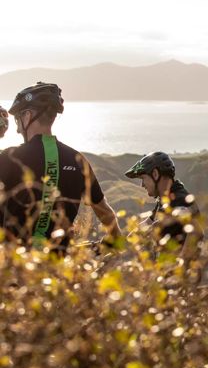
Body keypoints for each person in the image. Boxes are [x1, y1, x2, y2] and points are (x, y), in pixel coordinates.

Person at [0, 82, 121, 252]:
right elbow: (105, 213)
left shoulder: (9, 158)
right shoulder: (78, 160)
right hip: (58, 271)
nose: (18, 129)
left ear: (28, 116)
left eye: (17, 119)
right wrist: (113, 242)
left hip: (17, 270)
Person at [125, 152, 203, 270]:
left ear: (155, 174)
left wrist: (180, 269)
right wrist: (118, 244)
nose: (142, 185)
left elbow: (197, 231)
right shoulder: (164, 200)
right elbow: (146, 225)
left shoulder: (179, 199)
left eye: (143, 178)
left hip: (175, 282)